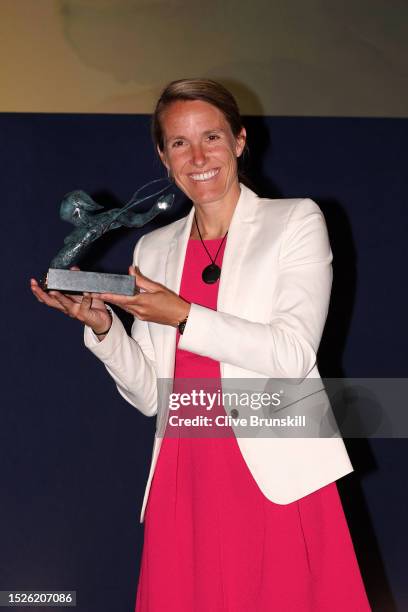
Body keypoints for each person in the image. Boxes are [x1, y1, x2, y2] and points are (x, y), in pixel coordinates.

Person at [31, 79, 371, 611]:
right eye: (179, 143)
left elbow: (292, 356)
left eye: (211, 137)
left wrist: (184, 314)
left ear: (239, 140)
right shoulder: (155, 246)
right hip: (184, 475)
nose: (198, 157)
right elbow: (152, 397)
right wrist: (104, 329)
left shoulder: (296, 221)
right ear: (163, 156)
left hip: (274, 467)